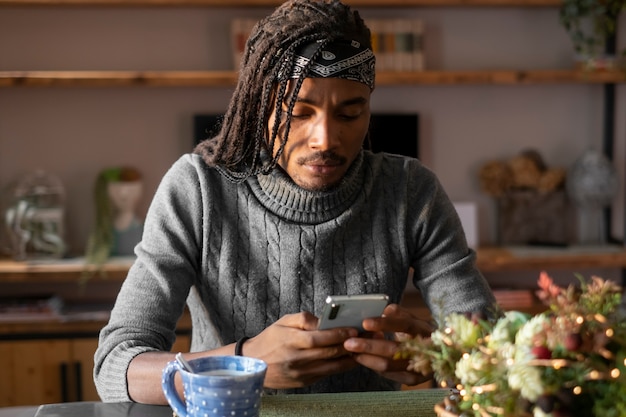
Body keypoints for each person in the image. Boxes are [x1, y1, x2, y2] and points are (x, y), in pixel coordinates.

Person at [94, 0, 496, 404]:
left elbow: (492, 353)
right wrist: (244, 362)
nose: (325, 138)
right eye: (298, 113)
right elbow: (116, 368)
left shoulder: (411, 191)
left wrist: (439, 359)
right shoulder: (197, 189)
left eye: (350, 113)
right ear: (258, 107)